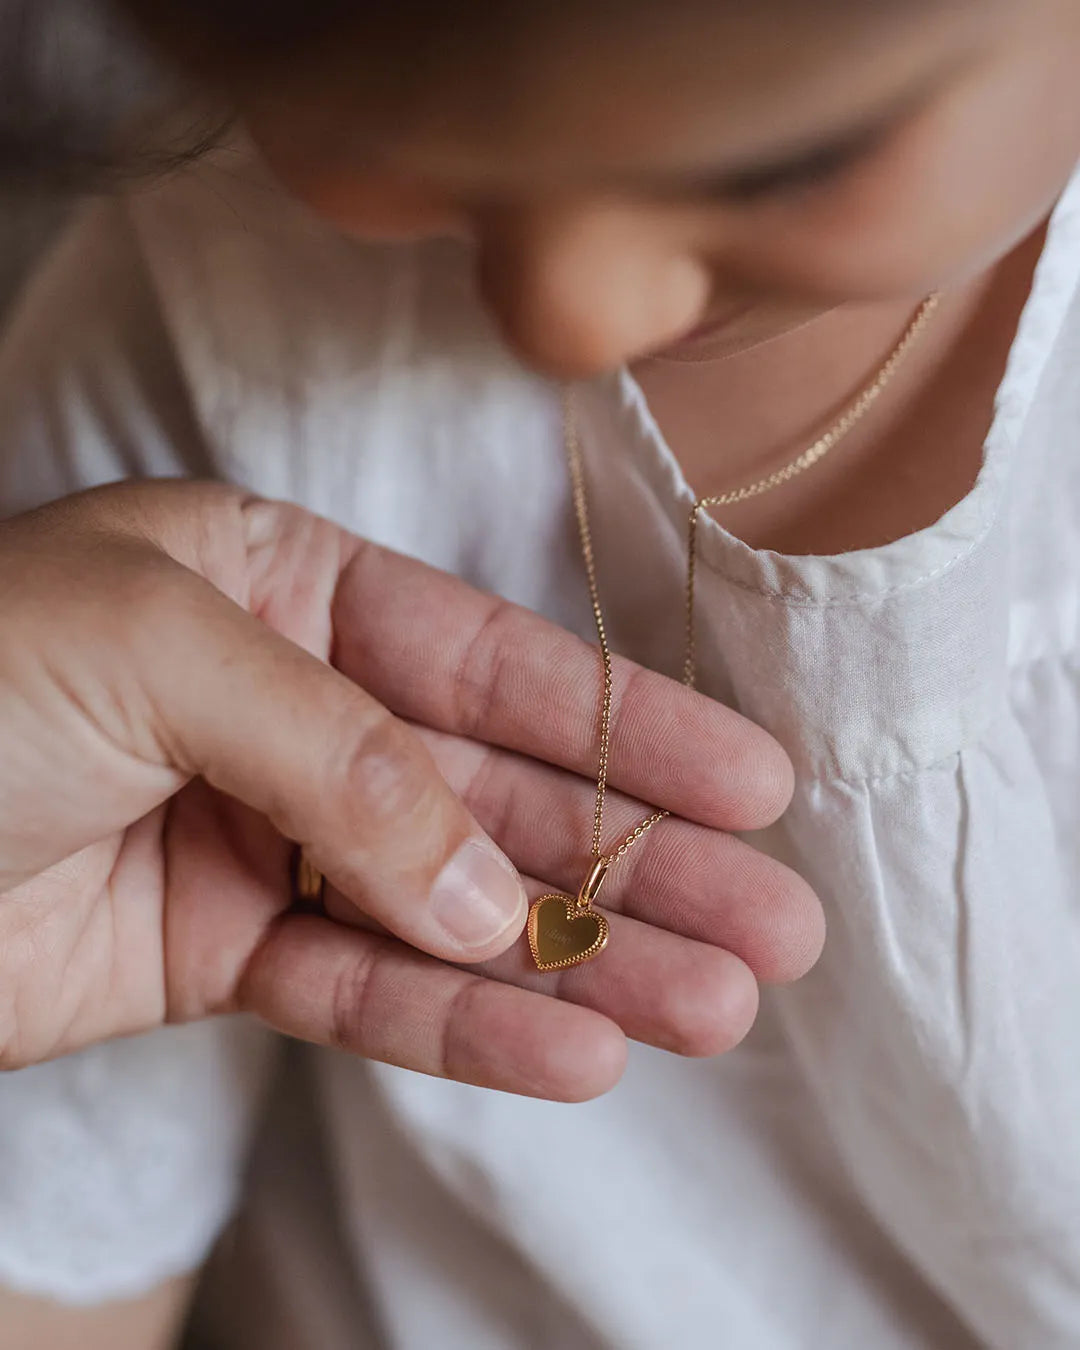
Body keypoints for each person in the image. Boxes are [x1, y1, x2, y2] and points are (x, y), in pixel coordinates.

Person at [0, 0, 1078, 1346]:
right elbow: (54, 1252)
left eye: (783, 161)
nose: (572, 312)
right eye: (390, 130)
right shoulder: (192, 349)